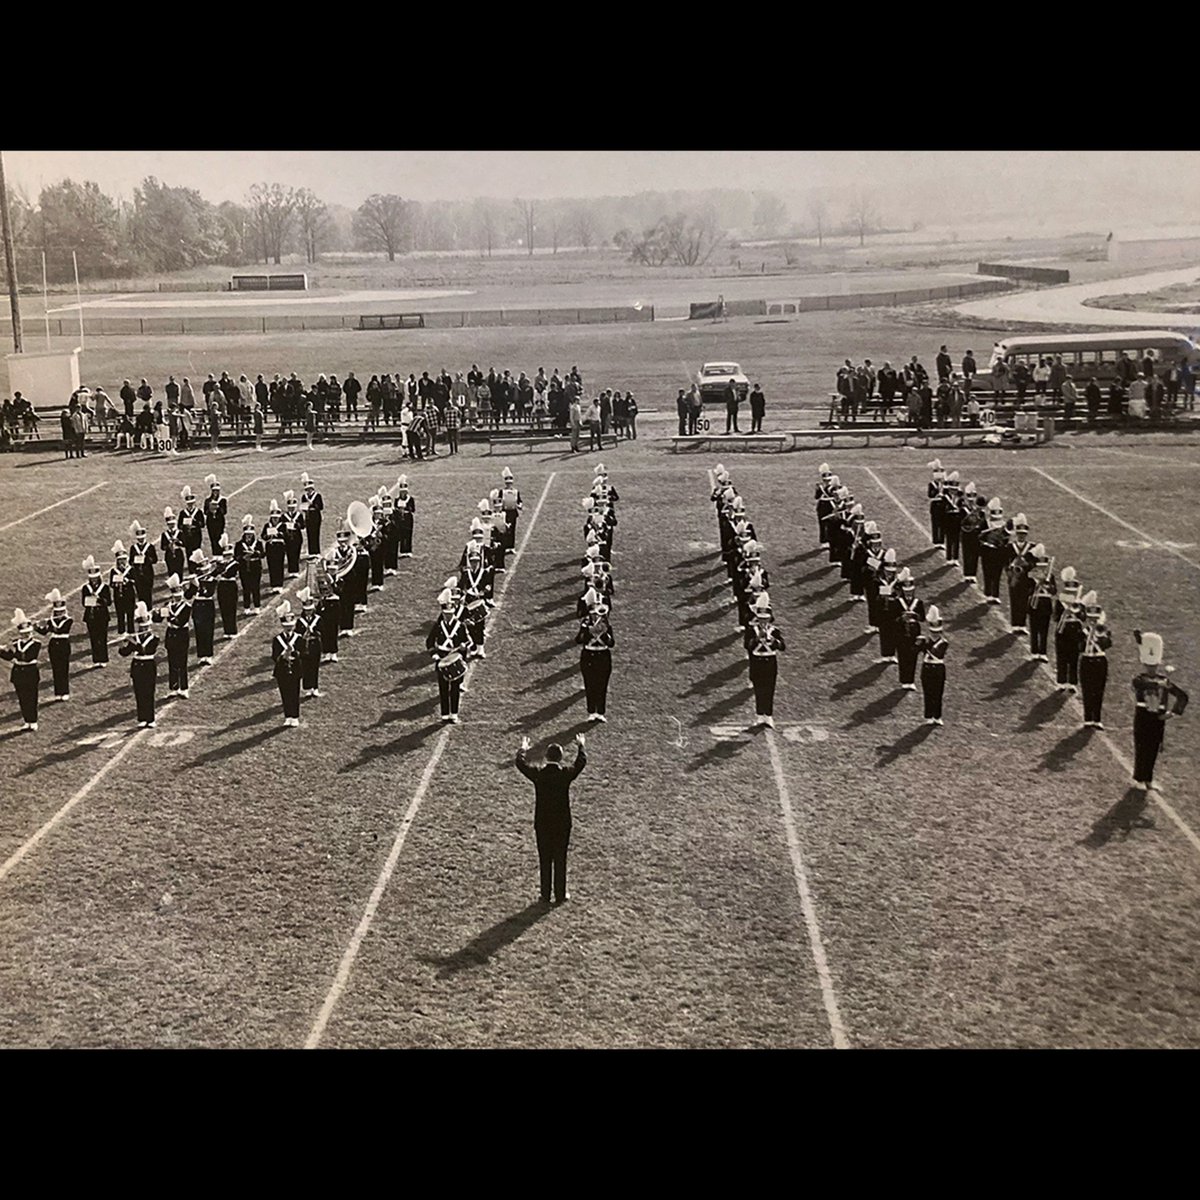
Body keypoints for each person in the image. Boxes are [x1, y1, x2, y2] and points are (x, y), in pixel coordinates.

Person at [515, 732, 588, 906]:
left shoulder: (539, 774)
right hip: (562, 823)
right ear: (561, 758)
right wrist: (581, 745)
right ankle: (560, 894)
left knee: (545, 858)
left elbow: (520, 764)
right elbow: (580, 763)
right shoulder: (565, 774)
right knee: (560, 858)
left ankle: (545, 895)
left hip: (542, 822)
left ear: (546, 757)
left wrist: (523, 749)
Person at [1130, 631, 1189, 792]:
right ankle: (1139, 778)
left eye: (1154, 666)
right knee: (1142, 747)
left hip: (1158, 717)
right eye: (1149, 666)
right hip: (1143, 715)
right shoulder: (1139, 679)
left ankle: (1148, 779)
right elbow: (1140, 686)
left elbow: (1182, 696)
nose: (1151, 669)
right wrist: (1158, 685)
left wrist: (1173, 713)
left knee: (1154, 748)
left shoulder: (1164, 680)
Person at [427, 587, 471, 723]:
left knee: (455, 688)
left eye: (450, 613)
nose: (448, 616)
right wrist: (434, 654)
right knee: (443, 688)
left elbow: (468, 641)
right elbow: (429, 641)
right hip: (442, 659)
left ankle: (454, 714)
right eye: (446, 613)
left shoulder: (460, 626)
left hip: (456, 658)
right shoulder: (438, 626)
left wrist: (464, 647)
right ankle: (444, 714)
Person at [745, 593, 785, 727]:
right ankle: (759, 715)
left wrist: (773, 640)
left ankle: (768, 715)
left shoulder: (775, 631)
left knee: (769, 689)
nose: (763, 621)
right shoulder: (752, 630)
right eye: (761, 618)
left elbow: (782, 646)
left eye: (766, 618)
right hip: (757, 662)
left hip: (770, 663)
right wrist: (757, 639)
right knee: (759, 689)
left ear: (770, 619)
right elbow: (747, 646)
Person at [119, 601, 160, 728]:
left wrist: (132, 640)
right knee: (139, 693)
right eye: (141, 627)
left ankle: (150, 719)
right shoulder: (135, 638)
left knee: (149, 692)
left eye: (145, 627)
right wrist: (122, 644)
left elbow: (143, 649)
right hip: (137, 667)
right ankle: (142, 718)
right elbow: (124, 653)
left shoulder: (154, 639)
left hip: (148, 666)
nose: (143, 629)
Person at [2, 608, 43, 730]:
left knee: (32, 697)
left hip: (30, 672)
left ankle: (33, 721)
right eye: (24, 633)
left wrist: (14, 651)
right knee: (22, 698)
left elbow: (27, 656)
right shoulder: (16, 644)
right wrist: (2, 650)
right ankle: (27, 720)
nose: (26, 635)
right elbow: (9, 656)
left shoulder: (36, 644)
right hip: (18, 673)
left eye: (28, 633)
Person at [154, 573, 192, 699]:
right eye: (175, 596)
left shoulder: (186, 606)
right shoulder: (168, 605)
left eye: (179, 596)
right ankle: (174, 687)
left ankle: (184, 688)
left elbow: (180, 621)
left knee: (182, 662)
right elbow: (158, 620)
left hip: (181, 634)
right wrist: (156, 614)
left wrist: (168, 615)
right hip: (171, 634)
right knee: (172, 662)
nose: (177, 598)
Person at [576, 599, 614, 722]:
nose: (598, 616)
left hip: (603, 655)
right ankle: (591, 711)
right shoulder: (585, 624)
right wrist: (588, 632)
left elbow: (611, 643)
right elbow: (578, 640)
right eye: (595, 614)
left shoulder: (606, 625)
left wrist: (604, 634)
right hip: (589, 654)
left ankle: (601, 712)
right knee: (590, 684)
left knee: (602, 685)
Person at [1078, 593, 1112, 729]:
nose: (1093, 620)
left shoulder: (1104, 631)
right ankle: (1088, 718)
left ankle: (1096, 718)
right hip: (1086, 660)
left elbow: (1108, 644)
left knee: (1099, 690)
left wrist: (1099, 636)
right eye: (1091, 618)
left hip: (1100, 660)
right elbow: (1079, 647)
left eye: (1095, 618)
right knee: (1087, 689)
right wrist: (1088, 635)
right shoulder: (1083, 631)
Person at [34, 589, 73, 702]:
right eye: (57, 612)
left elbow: (60, 629)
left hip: (64, 645)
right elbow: (45, 632)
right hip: (53, 646)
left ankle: (65, 692)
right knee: (56, 669)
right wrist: (38, 627)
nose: (59, 614)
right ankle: (58, 692)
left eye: (61, 612)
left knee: (64, 669)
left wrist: (48, 623)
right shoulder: (51, 621)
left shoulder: (68, 620)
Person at [272, 600, 304, 727]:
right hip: (282, 670)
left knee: (294, 693)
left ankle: (295, 716)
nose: (289, 628)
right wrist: (283, 656)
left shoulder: (298, 637)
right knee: (285, 693)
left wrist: (294, 653)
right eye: (286, 626)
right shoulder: (277, 639)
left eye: (290, 626)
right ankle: (288, 716)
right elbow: (274, 656)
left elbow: (303, 653)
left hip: (295, 668)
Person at [915, 605, 948, 725]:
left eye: (937, 632)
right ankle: (928, 715)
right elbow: (914, 651)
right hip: (927, 668)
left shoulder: (943, 643)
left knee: (938, 693)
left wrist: (924, 644)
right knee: (928, 693)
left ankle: (937, 716)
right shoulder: (925, 641)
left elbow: (937, 653)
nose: (935, 634)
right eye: (933, 632)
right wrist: (917, 644)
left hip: (938, 669)